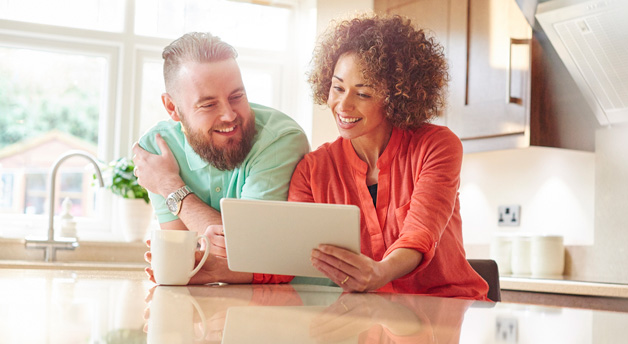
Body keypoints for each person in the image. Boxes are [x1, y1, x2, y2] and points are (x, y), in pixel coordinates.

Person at [288, 14, 489, 300]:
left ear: (397, 97)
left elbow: (419, 234)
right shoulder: (312, 170)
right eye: (338, 87)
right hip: (370, 316)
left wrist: (380, 273)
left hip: (446, 309)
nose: (343, 105)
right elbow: (291, 254)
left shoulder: (436, 146)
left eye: (364, 94)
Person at [133, 32, 310, 284]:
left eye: (237, 97)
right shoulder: (157, 148)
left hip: (296, 302)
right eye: (208, 105)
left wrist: (170, 186)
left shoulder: (279, 139)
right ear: (172, 108)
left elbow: (247, 251)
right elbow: (186, 259)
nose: (229, 115)